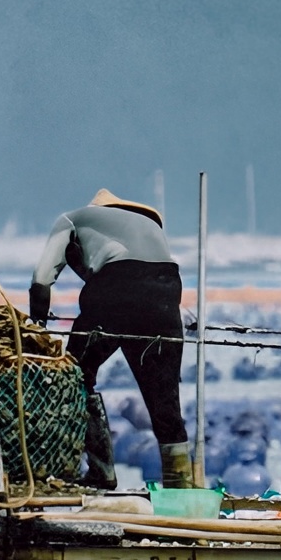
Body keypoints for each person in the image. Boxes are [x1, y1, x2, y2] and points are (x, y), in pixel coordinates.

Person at [29, 189, 192, 488]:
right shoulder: (150, 226)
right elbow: (143, 275)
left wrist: (37, 324)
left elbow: (41, 277)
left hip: (115, 286)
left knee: (76, 377)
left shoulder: (72, 218)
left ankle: (100, 470)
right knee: (165, 401)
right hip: (167, 291)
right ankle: (181, 485)